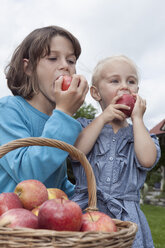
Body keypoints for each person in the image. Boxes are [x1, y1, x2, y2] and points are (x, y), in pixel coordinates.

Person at [70, 55, 161, 248]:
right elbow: (75, 152)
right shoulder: (86, 127)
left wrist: (137, 120)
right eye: (115, 81)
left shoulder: (140, 134)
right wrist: (103, 118)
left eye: (131, 81)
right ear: (96, 93)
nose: (125, 87)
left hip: (126, 217)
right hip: (88, 210)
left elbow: (147, 160)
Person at [0, 25, 89, 197]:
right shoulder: (8, 110)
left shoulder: (55, 121)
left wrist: (87, 199)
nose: (65, 66)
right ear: (29, 68)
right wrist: (64, 113)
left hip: (42, 221)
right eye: (53, 58)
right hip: (9, 219)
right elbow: (27, 173)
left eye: (71, 61)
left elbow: (57, 182)